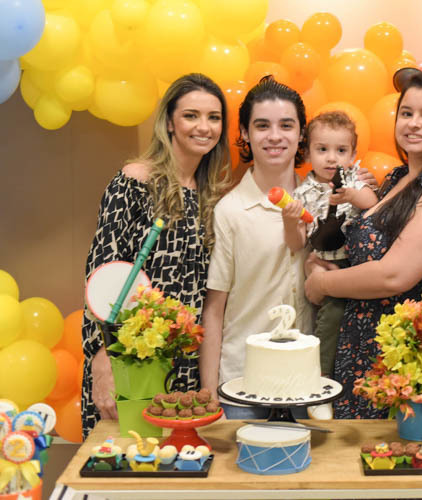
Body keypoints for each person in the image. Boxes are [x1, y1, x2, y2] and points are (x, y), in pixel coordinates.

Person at [304, 71, 422, 419]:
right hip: (360, 348)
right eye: (406, 113)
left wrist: (322, 283)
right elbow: (365, 250)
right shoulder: (399, 177)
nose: (413, 123)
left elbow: (392, 275)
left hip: (401, 362)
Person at [81, 73, 232, 438]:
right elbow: (101, 275)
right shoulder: (135, 181)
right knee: (124, 461)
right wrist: (102, 358)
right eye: (191, 115)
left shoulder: (214, 197)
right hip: (128, 360)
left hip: (184, 368)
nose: (204, 127)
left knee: (180, 466)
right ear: (170, 123)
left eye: (213, 117)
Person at [198, 76, 315, 420]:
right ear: (245, 134)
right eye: (262, 126)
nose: (275, 136)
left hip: (307, 380)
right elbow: (214, 310)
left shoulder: (322, 201)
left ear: (301, 133)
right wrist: (210, 393)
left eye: (286, 125)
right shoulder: (230, 211)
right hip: (243, 384)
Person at [281, 110, 378, 380]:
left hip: (358, 263)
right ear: (308, 153)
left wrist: (351, 195)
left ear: (353, 154)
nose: (332, 158)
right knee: (332, 315)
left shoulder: (355, 178)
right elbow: (298, 243)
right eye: (322, 149)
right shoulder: (302, 193)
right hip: (328, 262)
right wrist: (290, 222)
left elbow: (371, 201)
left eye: (341, 150)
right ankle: (321, 372)